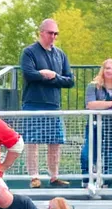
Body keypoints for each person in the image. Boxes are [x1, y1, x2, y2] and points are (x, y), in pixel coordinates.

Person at [20, 18, 74, 188]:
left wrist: (52, 76)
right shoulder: (29, 52)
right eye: (51, 33)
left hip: (54, 105)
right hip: (33, 103)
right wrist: (45, 76)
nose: (53, 37)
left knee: (55, 141)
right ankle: (34, 177)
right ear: (41, 33)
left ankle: (54, 177)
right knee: (32, 141)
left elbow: (70, 81)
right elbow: (29, 74)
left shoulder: (60, 54)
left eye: (56, 33)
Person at [81, 58, 112, 185]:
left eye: (111, 68)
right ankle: (87, 179)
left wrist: (102, 105)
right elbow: (91, 105)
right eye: (106, 68)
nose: (108, 71)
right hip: (95, 124)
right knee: (87, 153)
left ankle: (107, 183)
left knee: (111, 155)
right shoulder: (93, 86)